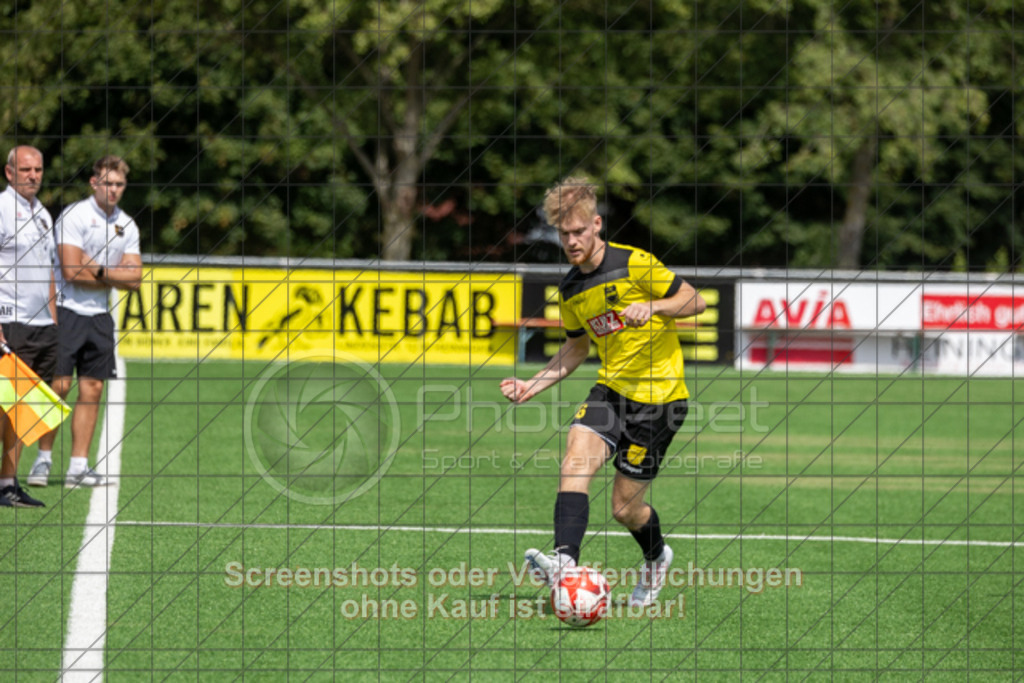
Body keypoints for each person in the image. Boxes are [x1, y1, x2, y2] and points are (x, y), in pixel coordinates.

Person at [500, 176, 706, 606]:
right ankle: (565, 562)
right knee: (575, 457)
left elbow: (694, 301)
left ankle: (656, 557)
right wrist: (531, 385)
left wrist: (652, 306)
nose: (572, 241)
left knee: (625, 509)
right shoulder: (572, 288)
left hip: (661, 400)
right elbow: (576, 348)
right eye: (564, 234)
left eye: (579, 231)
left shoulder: (635, 264)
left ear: (596, 225)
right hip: (610, 391)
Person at [27, 155, 141, 488]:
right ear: (95, 183)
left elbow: (135, 279)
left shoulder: (127, 225)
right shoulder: (75, 215)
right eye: (108, 183)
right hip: (66, 311)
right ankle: (43, 461)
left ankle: (78, 466)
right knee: (58, 387)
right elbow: (71, 271)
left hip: (100, 316)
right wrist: (113, 274)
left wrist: (101, 270)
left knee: (92, 388)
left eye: (119, 184)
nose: (114, 190)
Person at [0, 146, 58, 507]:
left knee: (22, 407)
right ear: (9, 173)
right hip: (11, 320)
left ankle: (8, 483)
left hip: (42, 325)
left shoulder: (43, 214)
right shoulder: (2, 209)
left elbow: (48, 271)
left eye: (38, 169)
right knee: (7, 404)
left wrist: (55, 321)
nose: (33, 175)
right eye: (25, 169)